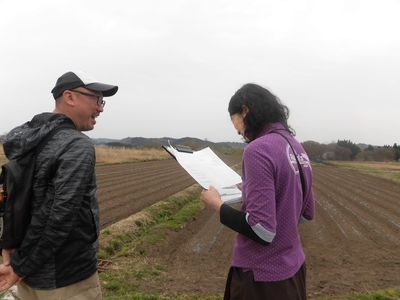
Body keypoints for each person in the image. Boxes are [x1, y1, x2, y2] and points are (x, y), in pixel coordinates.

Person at [0, 71, 118, 299]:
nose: (101, 108)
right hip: (67, 279)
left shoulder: (26, 140)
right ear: (69, 97)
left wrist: (15, 256)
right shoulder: (76, 145)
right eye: (97, 99)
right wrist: (20, 267)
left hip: (28, 274)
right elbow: (60, 215)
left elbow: (13, 200)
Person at [201, 83, 315, 300]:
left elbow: (262, 231)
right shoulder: (295, 146)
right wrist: (256, 191)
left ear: (244, 110)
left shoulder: (258, 149)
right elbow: (306, 212)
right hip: (293, 271)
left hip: (262, 281)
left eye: (233, 119)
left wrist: (216, 204)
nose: (236, 129)